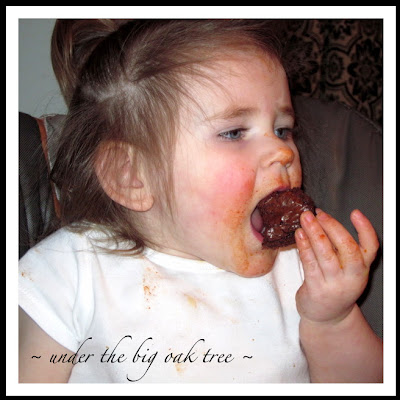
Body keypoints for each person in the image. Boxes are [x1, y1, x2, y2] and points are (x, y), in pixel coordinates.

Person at [18, 19, 383, 383]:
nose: (282, 152)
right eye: (234, 133)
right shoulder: (69, 275)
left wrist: (333, 318)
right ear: (131, 176)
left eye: (282, 130)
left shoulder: (305, 269)